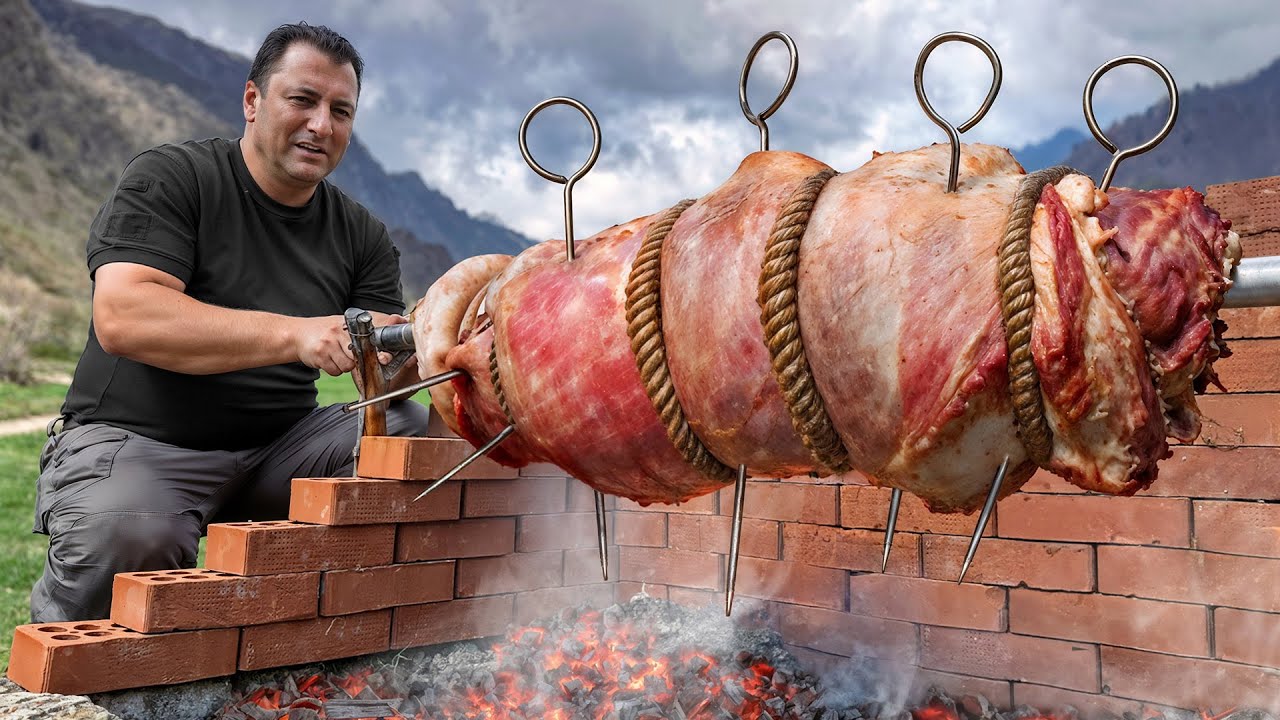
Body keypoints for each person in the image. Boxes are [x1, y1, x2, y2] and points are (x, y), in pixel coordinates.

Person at [29, 22, 429, 622]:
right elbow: (124, 315)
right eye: (303, 100)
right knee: (133, 538)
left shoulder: (363, 234)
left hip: (277, 449)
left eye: (341, 110)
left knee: (413, 437)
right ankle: (61, 698)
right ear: (252, 101)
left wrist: (424, 355)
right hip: (139, 443)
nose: (322, 124)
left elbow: (386, 388)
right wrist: (296, 335)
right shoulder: (171, 179)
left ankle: (318, 650)